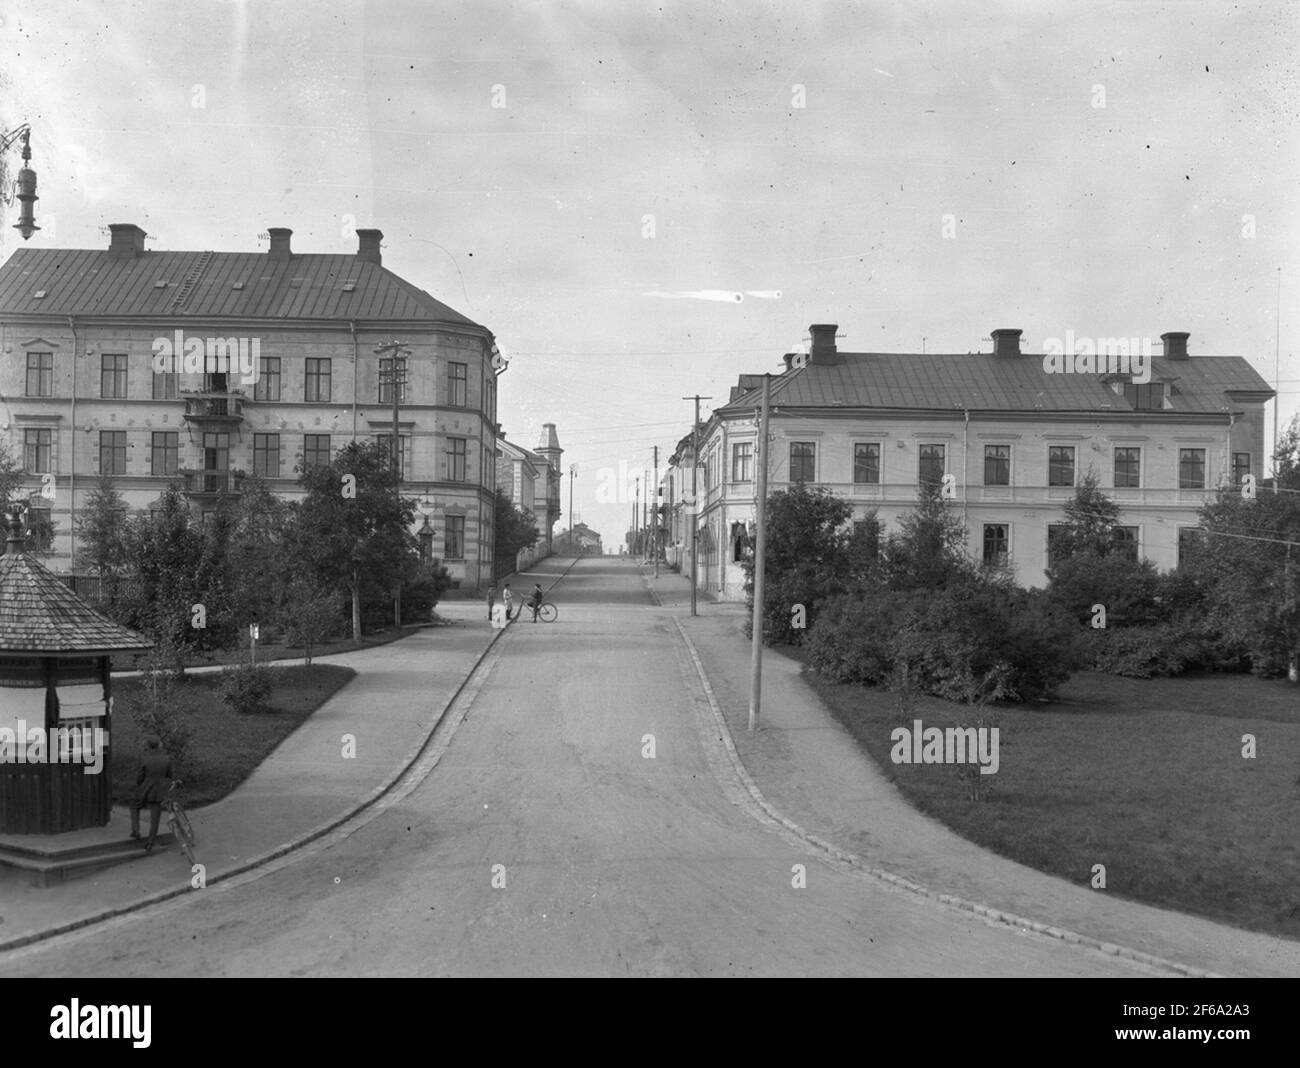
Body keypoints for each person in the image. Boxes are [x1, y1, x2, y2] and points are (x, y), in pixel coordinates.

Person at [130, 736, 173, 853]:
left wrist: (141, 785)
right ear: (159, 745)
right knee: (155, 818)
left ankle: (136, 831)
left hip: (146, 788)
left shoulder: (144, 758)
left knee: (134, 805)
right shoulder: (166, 759)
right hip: (159, 791)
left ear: (148, 746)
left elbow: (139, 777)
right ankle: (150, 842)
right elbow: (169, 775)